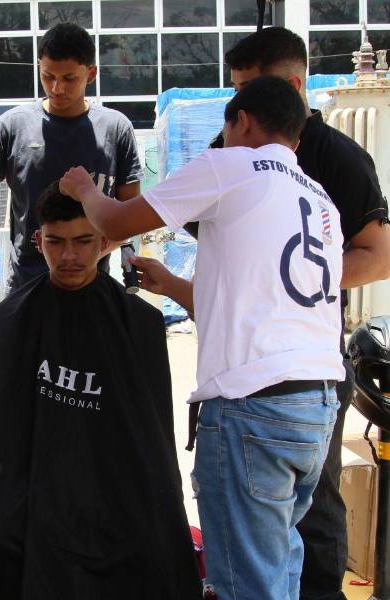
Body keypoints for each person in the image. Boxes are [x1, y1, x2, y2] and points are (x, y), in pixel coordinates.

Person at [59, 76, 345, 600]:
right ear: (296, 139)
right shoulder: (319, 198)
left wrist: (82, 187)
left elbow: (119, 220)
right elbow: (261, 301)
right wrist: (170, 285)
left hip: (252, 409)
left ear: (242, 122)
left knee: (244, 581)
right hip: (316, 405)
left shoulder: (232, 165)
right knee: (279, 565)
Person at [179, 27, 390, 600]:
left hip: (304, 369)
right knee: (265, 543)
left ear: (294, 88)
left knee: (309, 513)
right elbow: (216, 250)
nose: (242, 111)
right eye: (237, 95)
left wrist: (295, 274)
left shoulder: (338, 158)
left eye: (254, 93)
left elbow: (377, 256)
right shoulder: (230, 153)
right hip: (241, 364)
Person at [0, 184, 202, 600]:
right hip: (28, 485)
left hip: (109, 486)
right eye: (55, 242)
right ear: (38, 241)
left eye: (83, 241)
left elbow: (148, 446)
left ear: (105, 242)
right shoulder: (12, 318)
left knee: (151, 540)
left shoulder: (137, 325)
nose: (69, 256)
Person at [0, 22, 142, 292]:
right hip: (27, 288)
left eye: (69, 78)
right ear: (38, 67)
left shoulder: (116, 129)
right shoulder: (13, 125)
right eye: (48, 76)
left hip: (91, 288)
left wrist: (88, 252)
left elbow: (132, 215)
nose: (57, 88)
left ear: (91, 74)